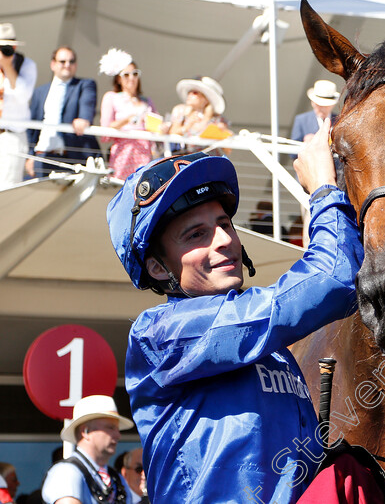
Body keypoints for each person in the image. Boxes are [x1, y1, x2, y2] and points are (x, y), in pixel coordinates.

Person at [106, 119, 365, 502]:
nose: (225, 240)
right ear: (159, 268)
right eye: (196, 234)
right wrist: (325, 191)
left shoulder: (276, 352)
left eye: (225, 223)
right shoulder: (160, 335)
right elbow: (334, 277)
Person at [41, 395, 134, 504]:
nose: (118, 435)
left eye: (117, 429)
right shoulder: (67, 472)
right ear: (86, 431)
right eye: (110, 428)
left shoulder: (116, 478)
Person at [26, 45, 100, 178]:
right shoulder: (40, 92)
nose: (67, 65)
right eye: (62, 61)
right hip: (42, 156)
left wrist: (84, 118)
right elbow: (31, 128)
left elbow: (87, 105)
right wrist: (29, 156)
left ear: (76, 65)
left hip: (73, 158)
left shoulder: (85, 85)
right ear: (53, 64)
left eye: (71, 61)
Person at [98, 48, 157, 180]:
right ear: (118, 79)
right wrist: (127, 120)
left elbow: (156, 126)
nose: (131, 78)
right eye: (126, 74)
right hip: (123, 154)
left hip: (144, 154)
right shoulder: (111, 97)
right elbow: (105, 132)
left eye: (135, 74)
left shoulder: (147, 101)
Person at [0, 23, 36, 189]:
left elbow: (23, 95)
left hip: (11, 136)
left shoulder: (25, 65)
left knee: (6, 187)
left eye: (7, 47)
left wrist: (8, 66)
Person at [164, 76, 230, 155]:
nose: (190, 95)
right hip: (186, 159)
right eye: (189, 92)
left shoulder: (216, 119)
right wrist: (187, 126)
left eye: (195, 93)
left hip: (209, 159)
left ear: (206, 99)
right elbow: (173, 131)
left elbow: (228, 150)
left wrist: (222, 133)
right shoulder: (181, 111)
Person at [291, 79, 339, 143]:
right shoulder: (301, 120)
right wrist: (305, 145)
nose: (322, 108)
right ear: (312, 103)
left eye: (326, 105)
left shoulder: (339, 121)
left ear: (333, 105)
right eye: (318, 105)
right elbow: (293, 149)